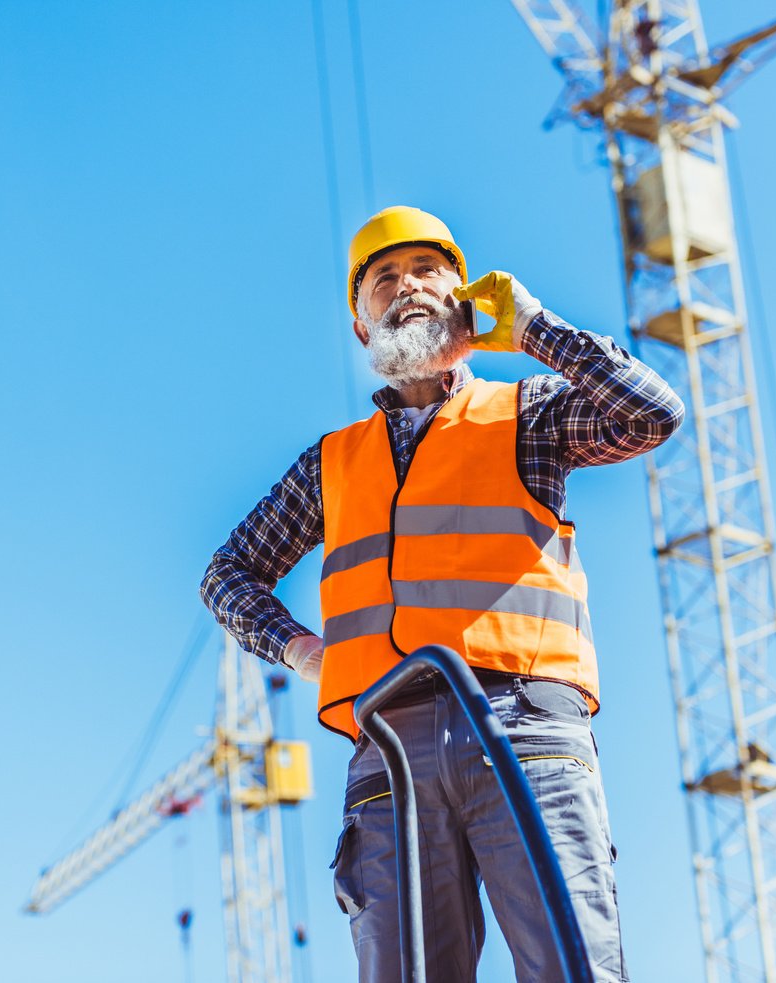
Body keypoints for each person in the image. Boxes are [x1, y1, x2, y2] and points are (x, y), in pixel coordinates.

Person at [199, 206, 684, 982]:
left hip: (523, 729)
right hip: (388, 752)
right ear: (363, 327)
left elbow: (651, 412)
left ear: (461, 294)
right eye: (384, 278)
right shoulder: (330, 463)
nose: (408, 286)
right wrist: (304, 651)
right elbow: (227, 576)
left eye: (428, 269)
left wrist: (530, 328)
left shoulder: (527, 415)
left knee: (575, 968)